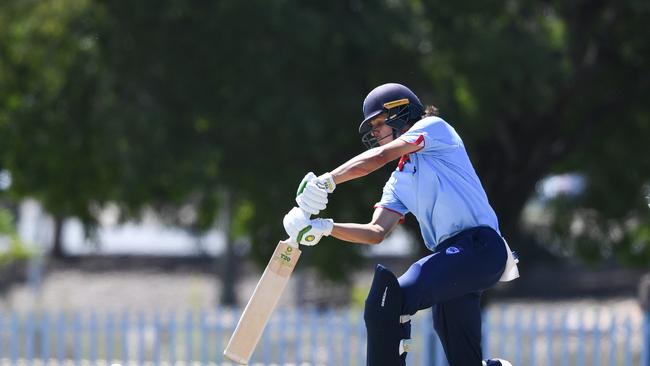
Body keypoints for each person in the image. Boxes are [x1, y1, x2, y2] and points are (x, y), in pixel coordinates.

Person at [283, 83, 519, 366]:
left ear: (402, 111)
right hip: (455, 261)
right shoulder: (398, 180)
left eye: (379, 122)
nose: (374, 132)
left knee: (387, 300)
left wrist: (327, 180)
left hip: (481, 248)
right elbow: (375, 232)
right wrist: (325, 227)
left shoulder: (434, 128)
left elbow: (378, 157)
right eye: (371, 127)